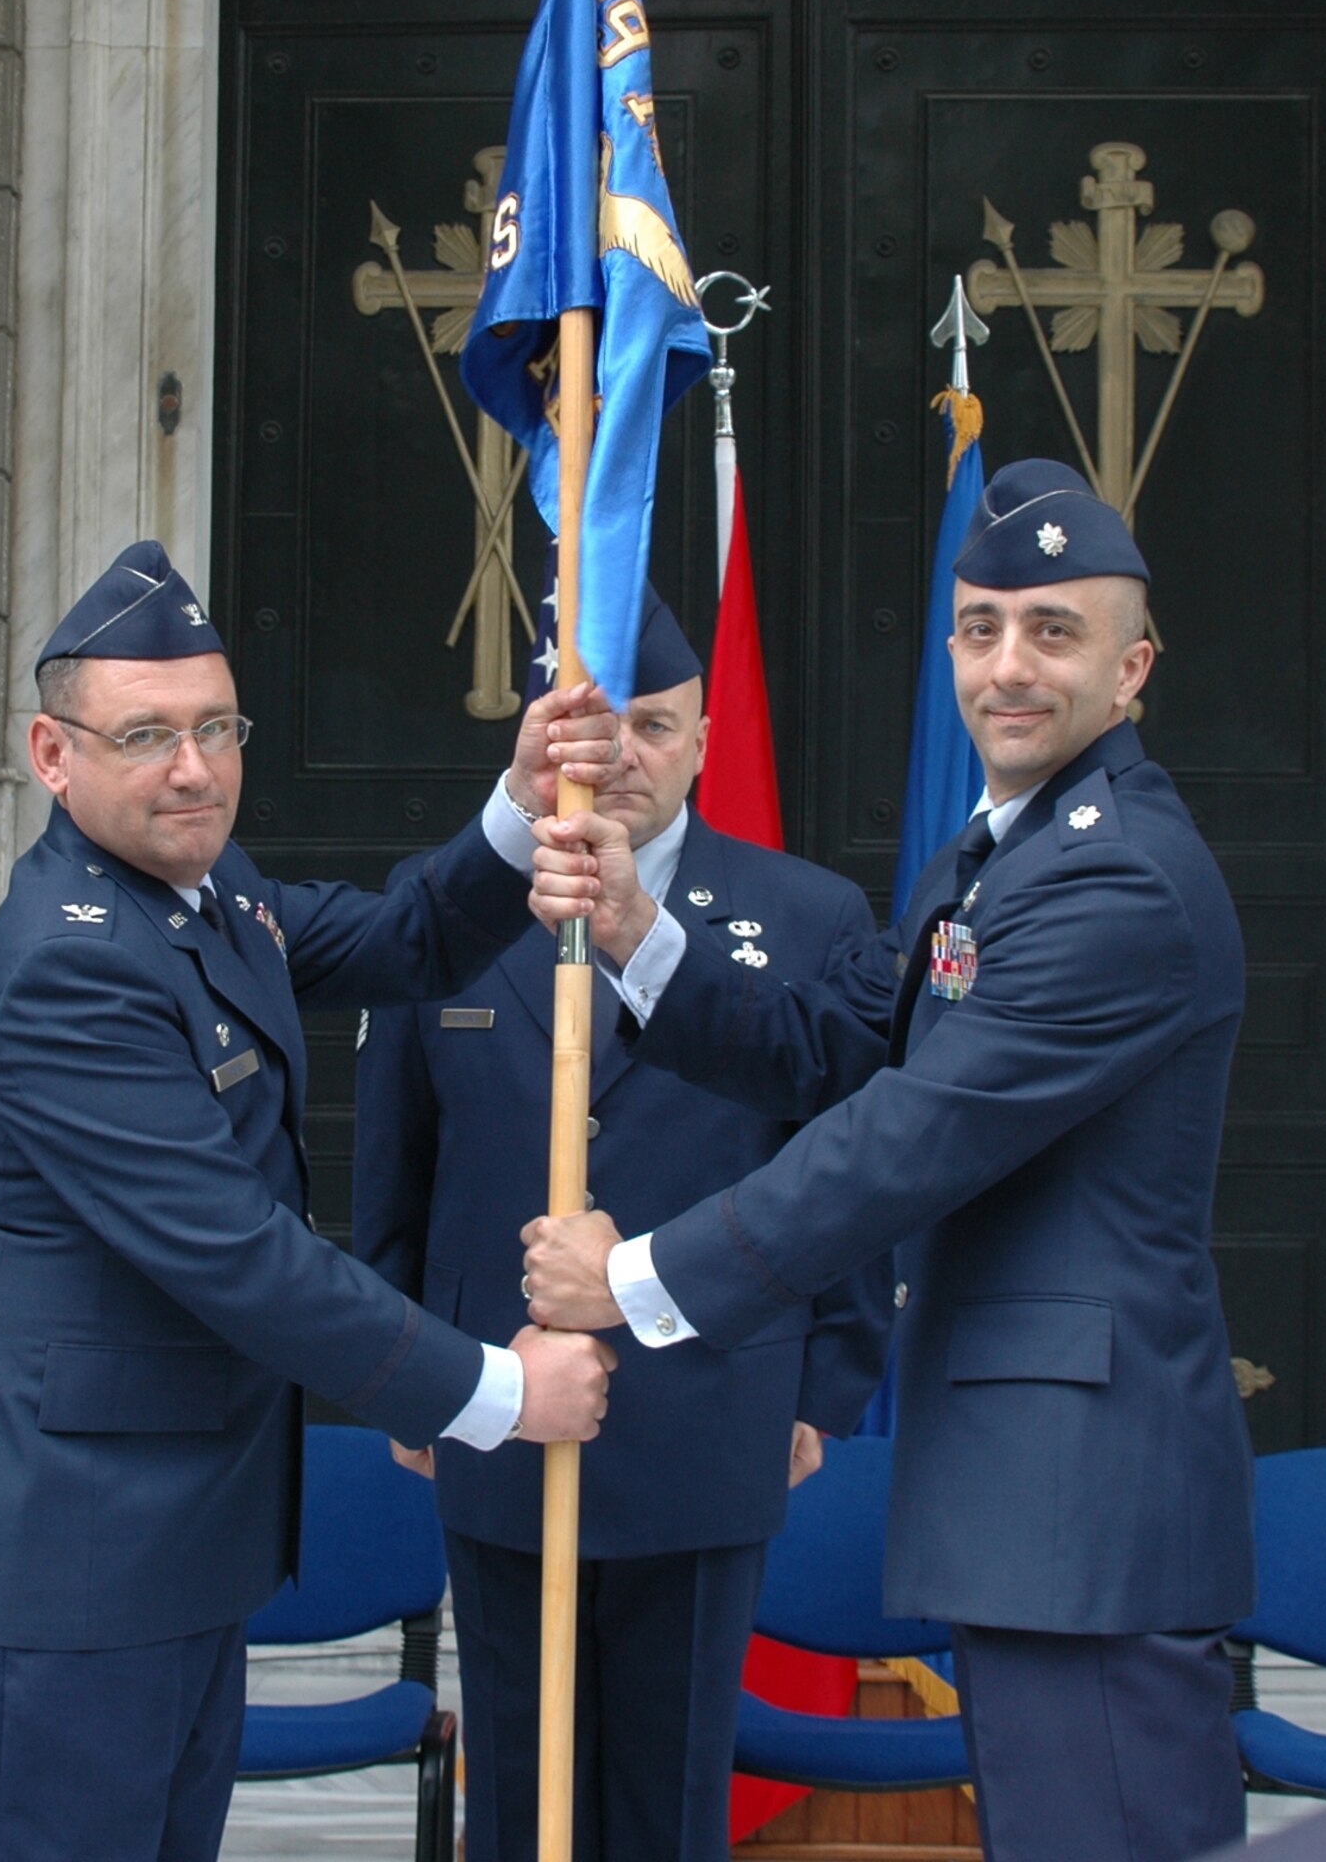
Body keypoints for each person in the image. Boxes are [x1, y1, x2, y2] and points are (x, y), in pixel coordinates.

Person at [521, 461, 1257, 1862]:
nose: (1006, 667)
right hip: (1034, 1494)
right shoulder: (997, 857)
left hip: (1082, 1502)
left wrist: (639, 1278)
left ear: (1133, 666)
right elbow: (840, 1043)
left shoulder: (1117, 879)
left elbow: (907, 1138)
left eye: (1053, 631)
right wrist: (631, 927)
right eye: (979, 629)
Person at [0, 541, 619, 1862]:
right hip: (59, 1580)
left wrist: (513, 806)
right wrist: (497, 1393)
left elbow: (401, 941)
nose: (195, 768)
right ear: (55, 758)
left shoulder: (206, 898)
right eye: (148, 735)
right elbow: (240, 1257)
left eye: (217, 727)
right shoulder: (69, 970)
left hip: (160, 1564)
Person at [350, 589, 891, 1862]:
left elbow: (860, 1168)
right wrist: (404, 1377)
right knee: (519, 1802)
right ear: (547, 741)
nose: (625, 755)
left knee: (666, 1802)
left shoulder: (811, 919)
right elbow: (395, 1167)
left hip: (713, 1412)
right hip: (495, 1402)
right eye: (600, 726)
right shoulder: (447, 909)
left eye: (656, 724)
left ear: (704, 740)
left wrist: (826, 1381)